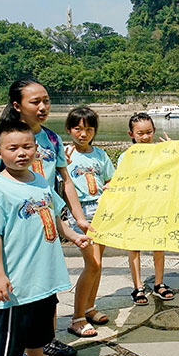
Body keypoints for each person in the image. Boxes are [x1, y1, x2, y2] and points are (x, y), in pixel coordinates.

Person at [0, 79, 82, 356]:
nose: (43, 107)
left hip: (44, 221)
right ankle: (11, 345)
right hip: (16, 226)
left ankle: (43, 340)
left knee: (44, 284)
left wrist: (77, 219)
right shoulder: (1, 141)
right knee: (7, 288)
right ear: (17, 105)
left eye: (46, 101)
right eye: (35, 102)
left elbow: (66, 181)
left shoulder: (51, 139)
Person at [0, 120, 90, 356]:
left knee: (40, 327)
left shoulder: (39, 180)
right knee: (14, 331)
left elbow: (53, 214)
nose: (21, 153)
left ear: (37, 149)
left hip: (43, 272)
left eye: (27, 147)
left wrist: (72, 234)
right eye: (13, 148)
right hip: (17, 278)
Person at [64, 106, 116, 337]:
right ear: (69, 129)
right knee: (91, 264)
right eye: (78, 128)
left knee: (98, 263)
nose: (83, 134)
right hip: (80, 213)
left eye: (88, 129)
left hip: (101, 210)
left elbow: (112, 178)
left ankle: (89, 307)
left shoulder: (100, 155)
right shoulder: (65, 155)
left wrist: (111, 185)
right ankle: (77, 317)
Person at [120, 113, 173, 305]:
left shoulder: (162, 152)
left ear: (154, 131)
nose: (145, 137)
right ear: (131, 134)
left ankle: (159, 283)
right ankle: (138, 286)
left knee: (158, 245)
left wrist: (172, 149)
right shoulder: (126, 157)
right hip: (134, 207)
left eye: (149, 132)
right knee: (134, 247)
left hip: (157, 205)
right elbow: (120, 182)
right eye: (140, 133)